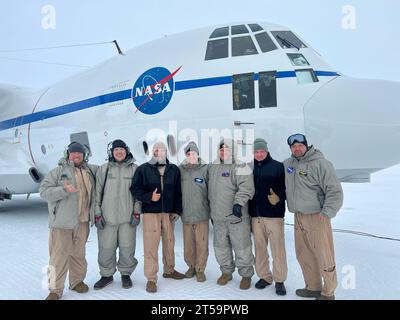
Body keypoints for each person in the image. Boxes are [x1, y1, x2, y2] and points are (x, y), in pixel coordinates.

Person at [284, 133, 343, 300]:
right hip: (298, 216)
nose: (297, 149)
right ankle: (313, 287)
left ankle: (328, 291)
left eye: (300, 145)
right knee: (304, 253)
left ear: (306, 145)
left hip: (318, 217)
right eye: (293, 147)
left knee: (323, 254)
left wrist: (327, 213)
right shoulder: (289, 164)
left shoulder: (321, 164)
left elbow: (335, 191)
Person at [39, 141, 97, 300]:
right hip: (62, 223)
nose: (76, 155)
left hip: (82, 222)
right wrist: (64, 190)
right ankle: (54, 290)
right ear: (68, 154)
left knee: (79, 255)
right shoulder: (58, 172)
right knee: (58, 257)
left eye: (80, 153)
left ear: (84, 155)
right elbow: (44, 192)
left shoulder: (89, 172)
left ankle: (77, 281)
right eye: (73, 152)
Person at [130, 141, 184, 293]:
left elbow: (178, 193)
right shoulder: (143, 169)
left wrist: (177, 211)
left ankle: (169, 270)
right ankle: (151, 279)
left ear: (165, 152)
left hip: (167, 214)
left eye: (160, 150)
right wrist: (149, 197)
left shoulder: (174, 170)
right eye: (155, 150)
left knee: (169, 244)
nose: (157, 152)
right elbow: (134, 189)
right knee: (151, 247)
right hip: (151, 214)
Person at [93, 139, 141, 290]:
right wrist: (97, 213)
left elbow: (138, 194)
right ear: (111, 153)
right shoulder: (104, 169)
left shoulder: (134, 169)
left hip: (128, 218)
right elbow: (97, 193)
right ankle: (106, 275)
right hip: (107, 219)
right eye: (116, 150)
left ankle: (125, 274)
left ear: (126, 151)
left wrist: (137, 212)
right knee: (106, 248)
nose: (119, 152)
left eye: (121, 150)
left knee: (127, 248)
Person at [208, 138, 255, 290]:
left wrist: (238, 203)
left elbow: (247, 188)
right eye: (221, 149)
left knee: (242, 247)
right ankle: (226, 272)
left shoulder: (241, 166)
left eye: (227, 149)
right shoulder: (212, 167)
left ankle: (246, 275)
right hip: (218, 217)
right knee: (221, 248)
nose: (224, 152)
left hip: (237, 217)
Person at [249, 138, 288, 296]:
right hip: (256, 216)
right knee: (260, 248)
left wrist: (279, 197)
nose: (259, 154)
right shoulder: (249, 168)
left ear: (267, 151)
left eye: (262, 152)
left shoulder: (278, 167)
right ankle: (264, 276)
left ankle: (280, 280)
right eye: (256, 152)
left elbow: (287, 188)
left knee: (277, 249)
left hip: (274, 216)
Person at [179, 141, 210, 282]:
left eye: (194, 153)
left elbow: (212, 190)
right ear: (185, 155)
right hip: (186, 214)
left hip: (201, 214)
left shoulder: (205, 169)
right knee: (189, 244)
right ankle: (191, 266)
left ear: (198, 154)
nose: (191, 155)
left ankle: (200, 269)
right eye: (188, 153)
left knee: (202, 244)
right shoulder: (180, 170)